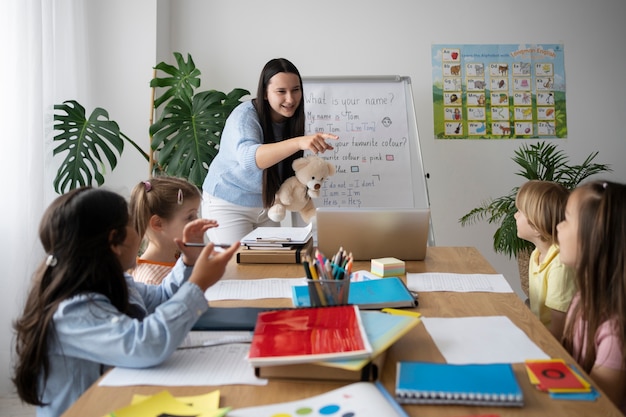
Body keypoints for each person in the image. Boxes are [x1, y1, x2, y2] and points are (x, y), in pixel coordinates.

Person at [12, 187, 240, 417]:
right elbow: (144, 345)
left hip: (117, 400)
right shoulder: (72, 311)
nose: (139, 233)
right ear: (114, 241)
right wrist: (197, 284)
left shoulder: (117, 281)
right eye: (132, 225)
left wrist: (189, 260)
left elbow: (160, 300)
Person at [202, 58, 338, 244]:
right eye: (281, 91)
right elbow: (250, 160)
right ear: (265, 93)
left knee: (271, 266)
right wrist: (298, 142)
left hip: (268, 206)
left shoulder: (292, 119)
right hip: (228, 204)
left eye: (296, 90)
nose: (290, 99)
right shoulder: (244, 116)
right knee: (234, 269)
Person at [558, 180, 626, 412]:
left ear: (594, 240)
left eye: (566, 219)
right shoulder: (581, 300)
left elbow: (597, 409)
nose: (558, 226)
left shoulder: (616, 333)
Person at [514, 180, 576, 340]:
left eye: (520, 211)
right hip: (540, 335)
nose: (515, 215)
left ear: (536, 225)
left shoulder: (560, 266)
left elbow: (558, 331)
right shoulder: (536, 255)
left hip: (555, 346)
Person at [129, 176, 206, 284]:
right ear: (158, 224)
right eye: (190, 217)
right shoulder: (150, 280)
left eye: (196, 214)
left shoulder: (181, 256)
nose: (197, 222)